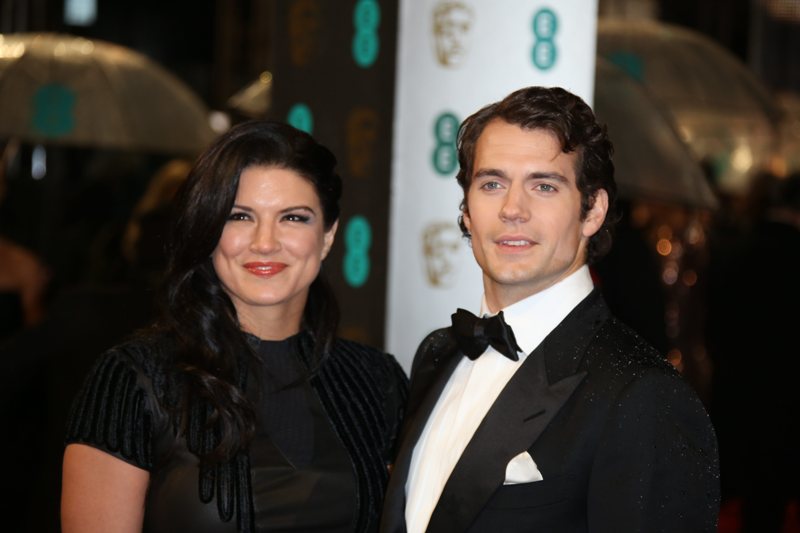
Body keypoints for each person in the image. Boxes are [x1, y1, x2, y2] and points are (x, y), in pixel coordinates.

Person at [380, 86, 719, 533]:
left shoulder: (645, 396)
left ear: (592, 211)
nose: (512, 209)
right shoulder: (438, 354)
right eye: (492, 183)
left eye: (543, 186)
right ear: (466, 211)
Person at [62, 121, 409, 533]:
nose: (265, 242)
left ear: (328, 235)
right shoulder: (134, 380)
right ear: (209, 230)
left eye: (293, 218)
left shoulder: (375, 380)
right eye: (240, 216)